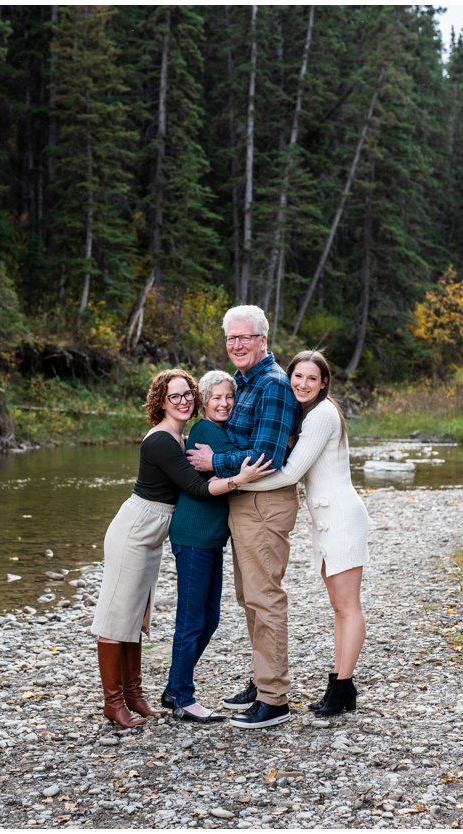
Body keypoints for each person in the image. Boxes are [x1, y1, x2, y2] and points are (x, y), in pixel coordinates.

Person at [91, 369, 272, 729]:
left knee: (135, 618)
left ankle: (136, 695)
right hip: (136, 529)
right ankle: (115, 703)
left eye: (188, 393)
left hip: (155, 530)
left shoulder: (180, 436)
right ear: (160, 401)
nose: (184, 400)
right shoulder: (161, 441)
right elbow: (197, 488)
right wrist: (240, 478)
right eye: (175, 396)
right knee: (117, 616)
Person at [236, 349, 370, 718]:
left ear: (324, 383)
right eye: (298, 376)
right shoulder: (310, 415)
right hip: (329, 520)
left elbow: (291, 474)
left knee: (348, 607)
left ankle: (343, 687)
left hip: (341, 518)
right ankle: (340, 685)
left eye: (312, 378)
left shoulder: (324, 414)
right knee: (339, 608)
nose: (302, 383)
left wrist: (235, 483)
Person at [187, 305, 301, 730]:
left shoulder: (272, 384)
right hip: (244, 500)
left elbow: (268, 456)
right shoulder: (240, 383)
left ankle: (275, 700)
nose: (236, 344)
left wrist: (215, 460)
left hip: (264, 504)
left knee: (264, 597)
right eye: (231, 338)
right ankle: (261, 679)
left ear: (262, 340)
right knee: (249, 596)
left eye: (244, 338)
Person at [159, 371, 239, 723]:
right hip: (193, 537)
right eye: (216, 397)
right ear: (204, 402)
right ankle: (184, 700)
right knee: (192, 621)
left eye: (229, 397)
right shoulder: (206, 431)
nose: (223, 403)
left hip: (209, 539)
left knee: (209, 619)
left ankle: (175, 687)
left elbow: (231, 462)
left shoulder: (219, 432)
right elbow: (242, 464)